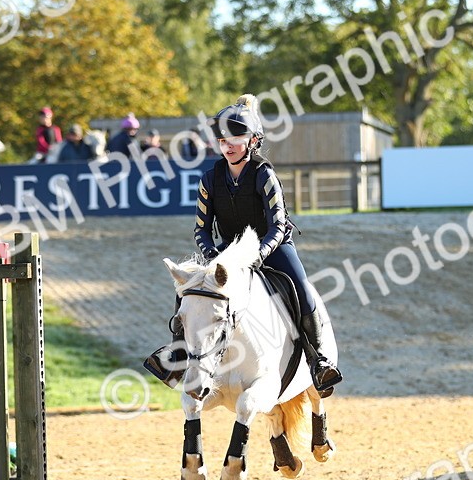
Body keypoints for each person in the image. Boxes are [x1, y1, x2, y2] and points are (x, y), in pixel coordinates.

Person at [144, 94, 342, 394]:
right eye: (223, 139)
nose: (228, 144)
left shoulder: (265, 175)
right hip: (228, 253)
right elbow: (201, 229)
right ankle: (179, 356)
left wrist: (260, 253)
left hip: (273, 248)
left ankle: (319, 361)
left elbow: (277, 224)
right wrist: (211, 256)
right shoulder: (210, 179)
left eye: (236, 137)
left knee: (301, 287)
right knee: (191, 288)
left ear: (253, 140)